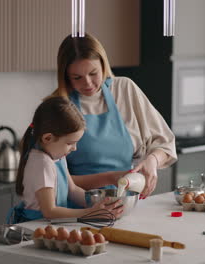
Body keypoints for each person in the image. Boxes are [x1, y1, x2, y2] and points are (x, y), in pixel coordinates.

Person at [49, 33, 177, 199]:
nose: (87, 83)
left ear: (103, 65)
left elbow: (165, 142)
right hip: (79, 208)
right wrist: (110, 178)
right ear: (65, 76)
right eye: (77, 77)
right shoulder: (57, 107)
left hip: (127, 202)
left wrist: (152, 160)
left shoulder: (124, 89)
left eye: (93, 73)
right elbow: (55, 180)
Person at [7, 97, 124, 224]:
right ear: (47, 138)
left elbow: (72, 190)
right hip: (36, 225)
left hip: (54, 223)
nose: (74, 148)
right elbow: (50, 211)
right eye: (70, 143)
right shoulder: (41, 163)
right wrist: (91, 213)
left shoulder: (58, 156)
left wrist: (100, 204)